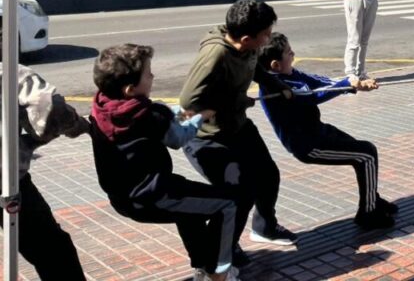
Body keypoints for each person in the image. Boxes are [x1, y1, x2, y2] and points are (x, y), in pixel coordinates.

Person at [90, 44, 239, 281]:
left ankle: (203, 266)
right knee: (228, 204)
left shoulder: (102, 108)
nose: (153, 76)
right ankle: (218, 273)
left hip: (124, 198)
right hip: (156, 194)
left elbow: (166, 114)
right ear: (130, 89)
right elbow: (178, 136)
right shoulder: (149, 115)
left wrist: (183, 112)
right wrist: (202, 115)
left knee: (192, 211)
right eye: (148, 73)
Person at [179, 0, 297, 267]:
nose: (269, 39)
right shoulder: (215, 56)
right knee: (239, 194)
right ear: (246, 38)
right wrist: (238, 101)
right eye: (265, 34)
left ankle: (265, 227)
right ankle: (223, 250)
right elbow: (188, 101)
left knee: (268, 175)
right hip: (207, 138)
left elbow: (254, 66)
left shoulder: (248, 48)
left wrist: (276, 83)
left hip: (237, 127)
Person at [255, 33, 398, 230]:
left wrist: (352, 84)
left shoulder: (291, 74)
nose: (293, 54)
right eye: (289, 53)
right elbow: (312, 96)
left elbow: (319, 82)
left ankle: (371, 199)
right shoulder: (275, 86)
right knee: (366, 154)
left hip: (319, 132)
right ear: (275, 65)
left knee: (363, 153)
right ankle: (368, 213)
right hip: (309, 145)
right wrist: (346, 85)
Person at [0, 61, 90, 281]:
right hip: (7, 180)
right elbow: (49, 107)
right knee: (54, 253)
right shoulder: (8, 72)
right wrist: (78, 125)